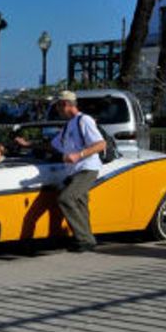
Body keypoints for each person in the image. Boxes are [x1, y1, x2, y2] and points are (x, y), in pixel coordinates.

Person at [49, 90, 107, 252]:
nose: (57, 110)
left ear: (65, 104)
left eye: (58, 106)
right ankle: (86, 238)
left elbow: (101, 144)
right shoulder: (69, 125)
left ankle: (84, 239)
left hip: (87, 168)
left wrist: (78, 155)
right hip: (76, 170)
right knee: (80, 203)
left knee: (66, 198)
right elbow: (54, 145)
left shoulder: (84, 120)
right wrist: (28, 145)